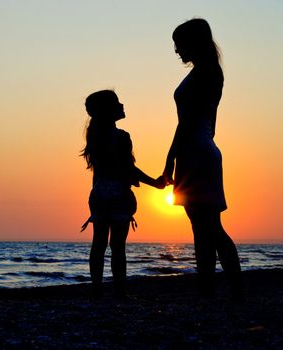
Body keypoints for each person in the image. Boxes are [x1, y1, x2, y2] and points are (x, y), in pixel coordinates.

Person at [162, 18, 243, 299]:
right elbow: (208, 121)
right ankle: (210, 288)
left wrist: (170, 159)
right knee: (203, 227)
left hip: (195, 152)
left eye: (179, 44)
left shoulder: (205, 73)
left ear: (194, 42)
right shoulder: (208, 72)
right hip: (199, 149)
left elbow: (187, 122)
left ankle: (229, 288)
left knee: (209, 227)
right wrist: (177, 156)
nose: (176, 50)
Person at [81, 90, 165, 298]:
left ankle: (96, 289)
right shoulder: (122, 137)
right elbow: (129, 169)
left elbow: (102, 172)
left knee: (99, 243)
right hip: (118, 194)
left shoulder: (95, 136)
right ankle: (119, 291)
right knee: (118, 246)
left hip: (99, 193)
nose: (122, 105)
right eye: (117, 103)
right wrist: (155, 183)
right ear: (109, 111)